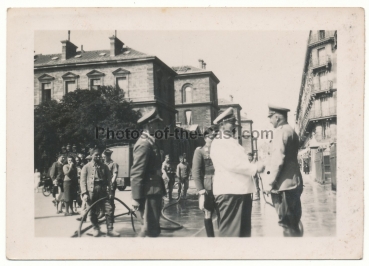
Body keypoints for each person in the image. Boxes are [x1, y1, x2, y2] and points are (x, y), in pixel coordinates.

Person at [210, 107, 265, 237]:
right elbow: (232, 164)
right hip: (230, 193)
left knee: (243, 234)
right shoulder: (220, 142)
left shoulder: (231, 141)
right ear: (222, 124)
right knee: (231, 234)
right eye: (231, 122)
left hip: (239, 191)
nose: (234, 124)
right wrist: (254, 168)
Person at [266, 104, 304, 236]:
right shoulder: (291, 131)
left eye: (270, 117)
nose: (270, 121)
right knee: (294, 222)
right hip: (294, 182)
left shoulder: (281, 132)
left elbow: (277, 160)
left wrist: (270, 183)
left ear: (277, 117)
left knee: (287, 224)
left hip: (284, 186)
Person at [130, 108, 166, 237]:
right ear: (149, 125)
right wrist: (136, 197)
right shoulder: (144, 144)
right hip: (148, 190)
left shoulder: (151, 142)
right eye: (157, 124)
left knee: (152, 226)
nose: (159, 127)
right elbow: (137, 171)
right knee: (150, 229)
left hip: (153, 189)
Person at [80, 149, 120, 237]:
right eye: (96, 155)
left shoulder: (104, 167)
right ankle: (96, 229)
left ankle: (110, 230)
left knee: (109, 209)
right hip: (91, 192)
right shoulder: (86, 167)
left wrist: (110, 192)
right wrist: (84, 193)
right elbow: (82, 182)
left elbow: (109, 181)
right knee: (92, 211)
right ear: (91, 156)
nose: (98, 157)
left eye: (99, 155)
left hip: (103, 191)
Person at [192, 127, 218, 237]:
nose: (213, 140)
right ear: (206, 138)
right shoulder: (200, 151)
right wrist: (201, 190)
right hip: (208, 186)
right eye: (211, 137)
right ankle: (210, 237)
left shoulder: (219, 150)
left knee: (222, 212)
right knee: (208, 212)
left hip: (221, 183)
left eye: (215, 137)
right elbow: (196, 171)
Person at [102, 149, 119, 222]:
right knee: (104, 200)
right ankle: (106, 215)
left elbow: (115, 174)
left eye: (104, 156)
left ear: (108, 156)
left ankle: (111, 216)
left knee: (110, 200)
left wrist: (111, 183)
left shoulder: (114, 164)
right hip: (104, 184)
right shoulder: (102, 163)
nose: (103, 158)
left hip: (111, 184)